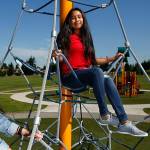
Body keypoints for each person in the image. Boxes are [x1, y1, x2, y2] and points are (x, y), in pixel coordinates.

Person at [54, 7, 148, 137]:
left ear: (83, 19)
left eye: (79, 17)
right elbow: (60, 55)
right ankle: (104, 114)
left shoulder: (85, 39)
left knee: (107, 79)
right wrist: (56, 55)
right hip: (70, 77)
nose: (77, 19)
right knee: (97, 72)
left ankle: (124, 122)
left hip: (85, 75)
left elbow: (93, 60)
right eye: (73, 17)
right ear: (69, 21)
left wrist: (112, 58)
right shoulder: (65, 37)